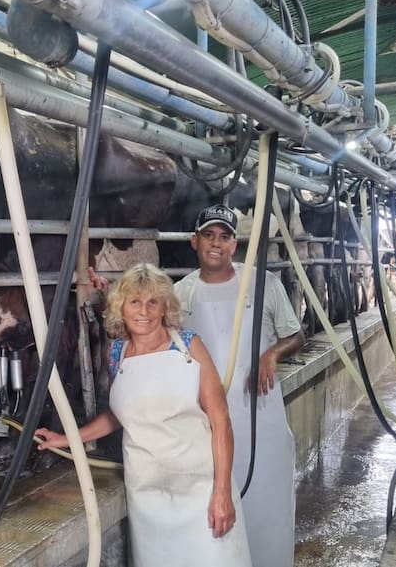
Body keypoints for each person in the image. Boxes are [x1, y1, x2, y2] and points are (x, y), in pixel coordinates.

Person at [36, 263, 251, 567]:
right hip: (148, 493)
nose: (144, 311)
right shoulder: (117, 354)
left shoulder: (189, 346)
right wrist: (67, 438)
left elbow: (221, 421)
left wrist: (222, 493)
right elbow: (121, 414)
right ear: (121, 308)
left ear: (165, 307)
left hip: (201, 488)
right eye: (134, 302)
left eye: (153, 302)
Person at [174, 204, 305, 567]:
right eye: (208, 235)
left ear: (234, 244)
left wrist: (271, 354)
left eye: (224, 237)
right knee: (217, 520)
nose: (216, 244)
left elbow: (296, 335)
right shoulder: (181, 294)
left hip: (261, 419)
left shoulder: (263, 284)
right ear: (194, 241)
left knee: (268, 511)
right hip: (208, 427)